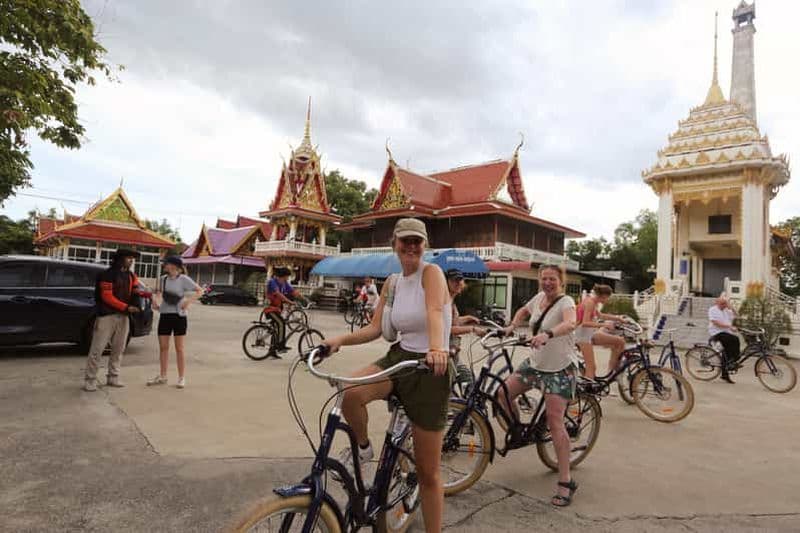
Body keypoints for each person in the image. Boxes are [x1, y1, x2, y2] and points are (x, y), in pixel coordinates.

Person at [322, 218, 451, 533]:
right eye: (405, 241)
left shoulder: (431, 274)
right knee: (350, 392)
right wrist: (339, 340)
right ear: (394, 243)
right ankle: (364, 448)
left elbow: (435, 311)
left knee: (428, 472)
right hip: (400, 357)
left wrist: (437, 349)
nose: (411, 247)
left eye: (417, 241)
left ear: (425, 245)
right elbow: (375, 328)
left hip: (430, 367)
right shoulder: (392, 283)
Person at [499, 264, 579, 507]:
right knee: (502, 393)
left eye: (552, 279)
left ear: (561, 281)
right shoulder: (538, 298)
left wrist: (548, 334)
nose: (547, 283)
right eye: (544, 278)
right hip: (535, 365)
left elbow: (571, 323)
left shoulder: (566, 302)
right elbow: (523, 310)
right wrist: (512, 325)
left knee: (555, 423)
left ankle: (566, 481)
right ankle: (517, 431)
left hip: (558, 369)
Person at [83, 249, 151, 391]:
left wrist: (143, 297)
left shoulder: (131, 275)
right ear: (120, 259)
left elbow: (135, 291)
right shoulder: (107, 274)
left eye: (132, 258)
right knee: (97, 349)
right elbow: (106, 297)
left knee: (119, 348)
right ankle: (90, 379)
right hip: (106, 316)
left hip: (124, 317)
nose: (131, 261)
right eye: (128, 258)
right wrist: (126, 307)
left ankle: (113, 377)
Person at [148, 256, 203, 388]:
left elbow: (200, 291)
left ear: (173, 266)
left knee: (179, 348)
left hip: (179, 316)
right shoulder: (162, 279)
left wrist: (188, 301)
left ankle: (181, 378)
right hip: (165, 316)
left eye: (166, 263)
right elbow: (157, 293)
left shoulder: (183, 279)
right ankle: (163, 376)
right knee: (163, 347)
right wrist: (155, 302)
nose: (164, 265)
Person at [575, 284, 625, 380]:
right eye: (608, 298)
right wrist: (604, 325)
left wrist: (618, 318)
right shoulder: (590, 303)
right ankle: (588, 387)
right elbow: (585, 323)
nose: (607, 300)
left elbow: (601, 315)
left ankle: (612, 372)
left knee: (619, 342)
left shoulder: (594, 302)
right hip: (583, 337)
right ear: (604, 296)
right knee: (591, 368)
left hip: (589, 334)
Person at [446, 268, 484, 390]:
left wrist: (467, 318)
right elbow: (448, 328)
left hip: (453, 351)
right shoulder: (445, 302)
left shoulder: (451, 301)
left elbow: (454, 321)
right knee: (449, 385)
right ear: (446, 282)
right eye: (454, 281)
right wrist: (472, 329)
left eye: (459, 280)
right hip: (447, 351)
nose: (458, 283)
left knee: (468, 378)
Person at [264, 266, 304, 358]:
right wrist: (289, 302)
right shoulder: (272, 282)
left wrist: (304, 299)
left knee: (276, 329)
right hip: (270, 309)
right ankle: (280, 346)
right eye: (287, 276)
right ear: (283, 276)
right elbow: (278, 294)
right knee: (281, 323)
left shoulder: (284, 283)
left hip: (277, 309)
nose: (287, 278)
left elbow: (293, 292)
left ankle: (272, 351)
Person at [708, 295, 739, 384]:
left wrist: (731, 307)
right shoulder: (712, 310)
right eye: (722, 303)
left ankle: (725, 373)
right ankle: (733, 360)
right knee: (734, 339)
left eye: (725, 303)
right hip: (717, 333)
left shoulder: (726, 310)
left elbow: (737, 315)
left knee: (726, 353)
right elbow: (715, 322)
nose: (724, 305)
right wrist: (729, 326)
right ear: (717, 303)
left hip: (726, 333)